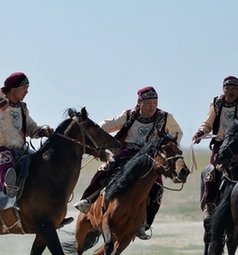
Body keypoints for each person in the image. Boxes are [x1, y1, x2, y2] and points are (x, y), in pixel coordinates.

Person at [73, 86, 183, 240]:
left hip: (150, 158)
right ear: (139, 103)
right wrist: (96, 132)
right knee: (107, 167)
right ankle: (87, 200)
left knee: (158, 189)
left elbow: (178, 133)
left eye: (155, 102)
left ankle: (143, 225)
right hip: (128, 153)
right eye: (149, 103)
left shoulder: (165, 117)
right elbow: (109, 124)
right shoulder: (130, 115)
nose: (152, 106)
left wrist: (169, 148)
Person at [192, 76, 238, 218]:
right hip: (221, 144)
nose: (231, 92)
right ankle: (210, 203)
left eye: (235, 89)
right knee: (212, 171)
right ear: (223, 89)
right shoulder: (217, 102)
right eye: (228, 89)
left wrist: (234, 130)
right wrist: (200, 133)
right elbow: (208, 122)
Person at [0, 72, 54, 198]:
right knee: (6, 158)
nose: (26, 92)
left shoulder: (22, 108)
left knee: (41, 162)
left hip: (20, 149)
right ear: (14, 88)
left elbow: (31, 127)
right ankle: (9, 190)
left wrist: (43, 132)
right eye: (24, 88)